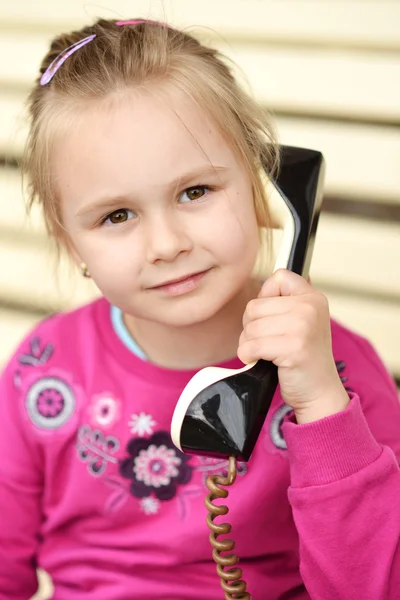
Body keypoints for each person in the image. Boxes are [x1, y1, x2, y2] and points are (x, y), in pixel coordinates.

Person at [0, 17, 399, 600]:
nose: (167, 245)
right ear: (71, 244)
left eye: (195, 192)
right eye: (116, 216)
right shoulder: (44, 370)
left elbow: (377, 587)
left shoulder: (339, 373)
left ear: (266, 189)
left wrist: (319, 404)